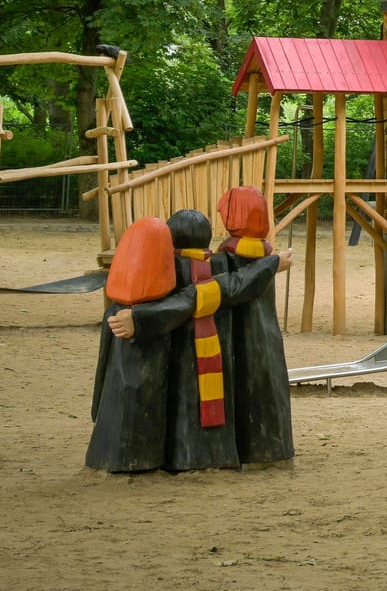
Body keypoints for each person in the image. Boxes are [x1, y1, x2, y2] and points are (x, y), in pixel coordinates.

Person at [163, 208, 284, 471]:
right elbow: (230, 286)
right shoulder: (216, 264)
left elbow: (223, 288)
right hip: (210, 344)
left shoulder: (181, 267)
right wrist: (271, 263)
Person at [88, 218, 199, 473]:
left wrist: (97, 407)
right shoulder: (162, 309)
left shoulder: (114, 312)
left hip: (115, 411)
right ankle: (139, 460)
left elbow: (102, 367)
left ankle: (114, 454)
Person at [216, 186, 294, 465]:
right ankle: (269, 449)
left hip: (243, 337)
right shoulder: (261, 256)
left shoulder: (229, 257)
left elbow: (234, 288)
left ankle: (259, 451)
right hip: (264, 337)